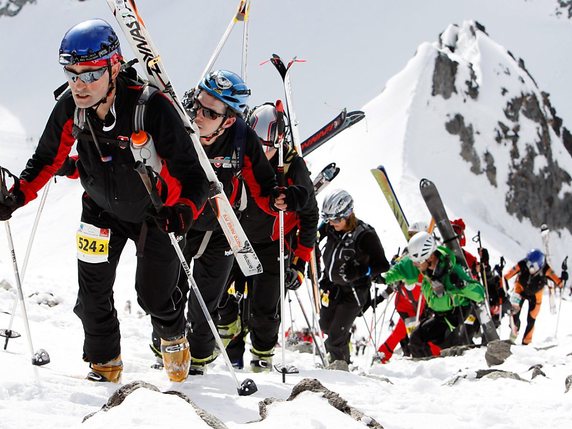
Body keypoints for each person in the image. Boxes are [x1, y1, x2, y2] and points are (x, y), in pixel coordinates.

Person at [0, 19, 209, 382]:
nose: (78, 84)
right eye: (71, 73)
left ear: (114, 66)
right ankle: (104, 363)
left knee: (153, 295)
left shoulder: (151, 107)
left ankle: (173, 336)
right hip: (99, 209)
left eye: (89, 73)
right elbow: (47, 159)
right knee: (92, 293)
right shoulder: (71, 107)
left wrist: (183, 211)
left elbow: (194, 177)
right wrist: (16, 196)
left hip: (155, 214)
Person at [150, 72, 299, 375]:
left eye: (209, 113)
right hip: (181, 219)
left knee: (207, 301)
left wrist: (279, 200)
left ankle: (200, 363)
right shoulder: (179, 122)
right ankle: (165, 348)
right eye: (197, 105)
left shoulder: (241, 137)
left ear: (228, 120)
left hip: (220, 226)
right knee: (167, 291)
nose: (198, 115)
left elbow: (263, 185)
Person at [217, 102, 316, 372]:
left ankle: (262, 354)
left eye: (270, 147)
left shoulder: (292, 165)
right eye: (258, 144)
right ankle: (231, 340)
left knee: (265, 308)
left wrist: (300, 262)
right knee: (219, 294)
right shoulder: (236, 150)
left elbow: (309, 214)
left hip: (273, 242)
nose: (263, 152)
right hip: (236, 237)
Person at [383, 232, 485, 358]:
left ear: (430, 257)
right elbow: (403, 267)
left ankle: (444, 368)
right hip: (438, 315)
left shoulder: (452, 269)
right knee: (416, 339)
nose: (416, 265)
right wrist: (384, 278)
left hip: (456, 317)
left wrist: (463, 286)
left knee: (450, 348)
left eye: (418, 262)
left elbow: (480, 293)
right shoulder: (422, 264)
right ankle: (426, 371)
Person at [318, 189, 389, 365]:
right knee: (326, 326)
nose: (331, 223)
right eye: (328, 219)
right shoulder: (330, 226)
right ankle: (342, 358)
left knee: (335, 336)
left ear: (348, 215)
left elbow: (382, 265)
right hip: (332, 287)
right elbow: (315, 236)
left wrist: (360, 271)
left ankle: (340, 370)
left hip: (354, 291)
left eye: (335, 219)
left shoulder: (365, 235)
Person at [376, 221, 440, 364]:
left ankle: (438, 356)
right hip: (407, 303)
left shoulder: (432, 255)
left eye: (415, 235)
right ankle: (382, 355)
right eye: (410, 235)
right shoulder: (407, 255)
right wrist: (382, 294)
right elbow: (395, 274)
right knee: (404, 331)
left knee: (424, 332)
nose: (412, 238)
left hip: (424, 303)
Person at [504, 249, 564, 344]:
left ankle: (526, 342)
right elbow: (507, 276)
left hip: (536, 296)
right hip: (520, 290)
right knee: (514, 313)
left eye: (533, 265)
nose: (530, 267)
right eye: (528, 263)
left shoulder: (546, 269)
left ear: (540, 264)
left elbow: (558, 282)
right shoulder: (522, 264)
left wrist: (563, 279)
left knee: (531, 318)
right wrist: (502, 285)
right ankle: (513, 333)